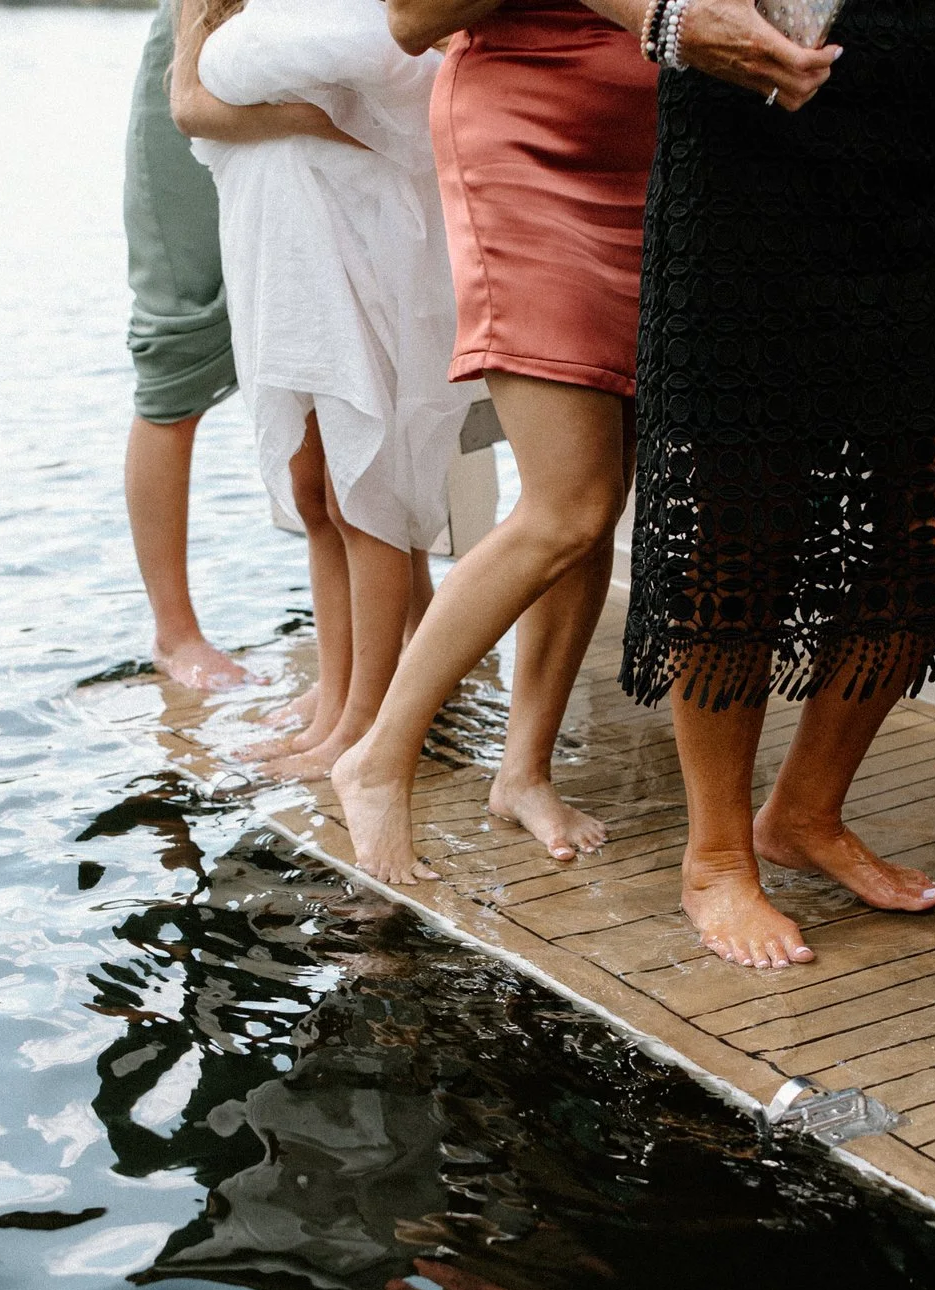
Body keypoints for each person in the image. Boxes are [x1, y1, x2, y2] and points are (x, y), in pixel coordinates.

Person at [614, 0, 935, 968]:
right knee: (737, 513)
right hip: (742, 147)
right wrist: (664, 16)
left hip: (919, 157)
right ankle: (715, 854)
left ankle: (803, 807)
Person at [327, 0, 660, 877]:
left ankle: (522, 772)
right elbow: (411, 18)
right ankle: (377, 758)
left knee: (595, 492)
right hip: (533, 151)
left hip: (651, 155)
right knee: (568, 506)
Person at [174, 0, 472, 781]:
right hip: (271, 233)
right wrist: (304, 117)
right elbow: (190, 107)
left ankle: (362, 722)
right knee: (313, 488)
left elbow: (418, 66)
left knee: (361, 481)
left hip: (360, 222)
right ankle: (336, 696)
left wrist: (304, 115)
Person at [123, 0, 254, 692]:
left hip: (309, 59)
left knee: (340, 339)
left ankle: (399, 606)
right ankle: (175, 634)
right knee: (174, 343)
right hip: (196, 59)